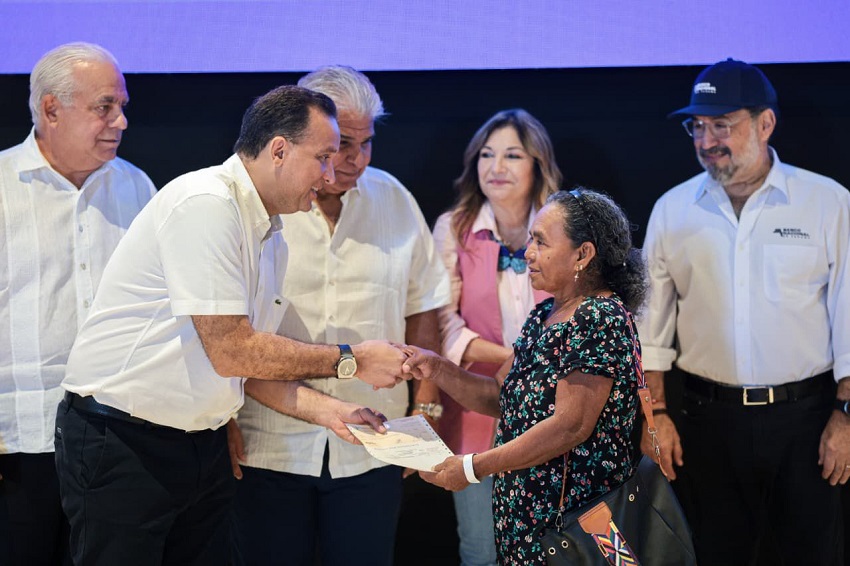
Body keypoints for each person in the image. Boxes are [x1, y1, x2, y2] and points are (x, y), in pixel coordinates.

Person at [54, 84, 408, 566]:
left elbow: (251, 365)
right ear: (279, 149)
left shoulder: (272, 235)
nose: (329, 175)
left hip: (200, 446)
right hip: (123, 442)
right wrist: (353, 359)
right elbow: (232, 350)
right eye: (324, 156)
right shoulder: (206, 202)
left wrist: (331, 412)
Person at [230, 66, 451, 566]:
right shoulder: (258, 207)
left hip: (374, 442)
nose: (356, 160)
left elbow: (423, 302)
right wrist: (222, 418)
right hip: (269, 441)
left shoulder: (393, 198)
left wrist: (428, 403)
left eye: (367, 143)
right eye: (341, 145)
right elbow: (224, 334)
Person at [638, 58, 850, 565]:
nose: (707, 139)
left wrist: (845, 417)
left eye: (722, 125)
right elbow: (649, 328)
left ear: (765, 123)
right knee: (714, 555)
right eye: (699, 126)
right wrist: (656, 416)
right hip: (707, 425)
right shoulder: (672, 209)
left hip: (808, 423)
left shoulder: (827, 203)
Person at [404, 188, 648, 565]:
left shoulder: (599, 317)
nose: (528, 253)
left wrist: (473, 467)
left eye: (540, 242)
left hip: (576, 528)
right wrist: (437, 367)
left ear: (583, 254)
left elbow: (570, 427)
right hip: (530, 523)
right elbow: (499, 396)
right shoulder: (544, 315)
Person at [0, 42, 155, 565]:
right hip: (16, 444)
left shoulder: (137, 189)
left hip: (118, 443)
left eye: (122, 106)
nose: (122, 121)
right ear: (50, 109)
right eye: (104, 107)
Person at [431, 108, 561, 566]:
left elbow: (586, 309)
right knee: (483, 550)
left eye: (511, 155)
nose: (495, 167)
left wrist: (535, 363)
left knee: (557, 547)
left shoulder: (568, 225)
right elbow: (442, 322)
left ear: (537, 165)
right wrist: (513, 356)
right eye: (487, 155)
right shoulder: (455, 227)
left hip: (557, 408)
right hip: (477, 409)